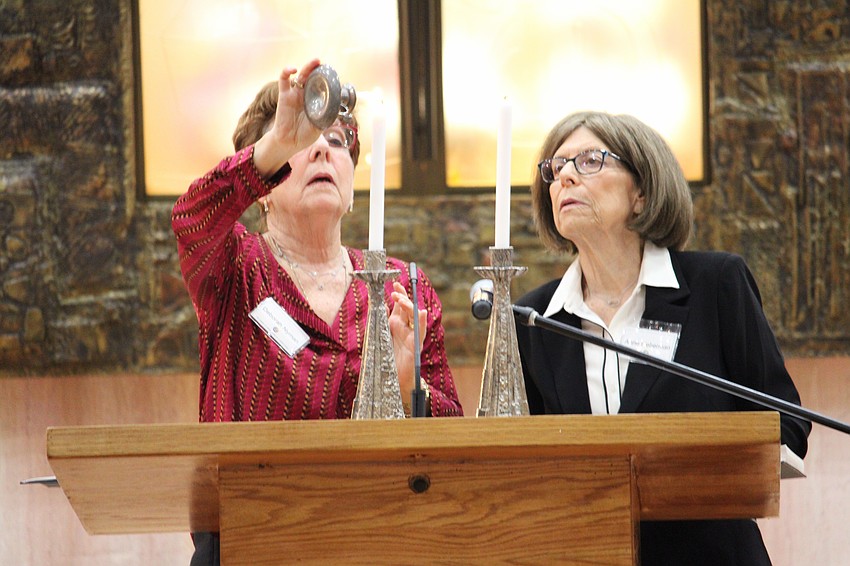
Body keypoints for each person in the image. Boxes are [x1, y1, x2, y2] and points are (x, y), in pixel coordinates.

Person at [172, 59, 463, 565]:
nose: (325, 148)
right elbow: (192, 216)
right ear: (262, 185)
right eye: (305, 141)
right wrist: (276, 142)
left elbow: (453, 438)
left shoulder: (403, 286)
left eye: (338, 141)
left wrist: (406, 386)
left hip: (382, 537)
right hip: (253, 536)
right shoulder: (235, 267)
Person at [514, 111, 810, 565]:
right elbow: (525, 462)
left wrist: (701, 473)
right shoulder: (535, 318)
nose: (566, 177)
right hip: (587, 553)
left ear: (642, 193)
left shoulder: (715, 285)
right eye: (556, 168)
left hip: (710, 553)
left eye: (590, 160)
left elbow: (785, 419)